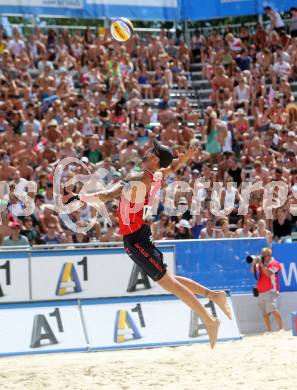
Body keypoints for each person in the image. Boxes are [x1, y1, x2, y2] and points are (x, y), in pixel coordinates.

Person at [81, 140, 232, 348]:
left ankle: (209, 320)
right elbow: (171, 168)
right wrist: (186, 157)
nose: (147, 151)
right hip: (136, 235)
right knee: (170, 279)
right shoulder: (156, 176)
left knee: (168, 283)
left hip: (137, 237)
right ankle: (214, 295)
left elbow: (108, 195)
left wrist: (80, 198)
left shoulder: (140, 178)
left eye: (152, 151)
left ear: (155, 159)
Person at [251, 247, 283, 332]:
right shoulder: (262, 263)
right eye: (263, 255)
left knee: (273, 310)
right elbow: (253, 272)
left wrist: (261, 264)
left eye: (264, 255)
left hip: (270, 290)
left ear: (269, 255)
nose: (263, 257)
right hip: (261, 291)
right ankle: (269, 331)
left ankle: (281, 329)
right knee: (264, 313)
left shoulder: (275, 263)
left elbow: (268, 274)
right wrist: (254, 263)